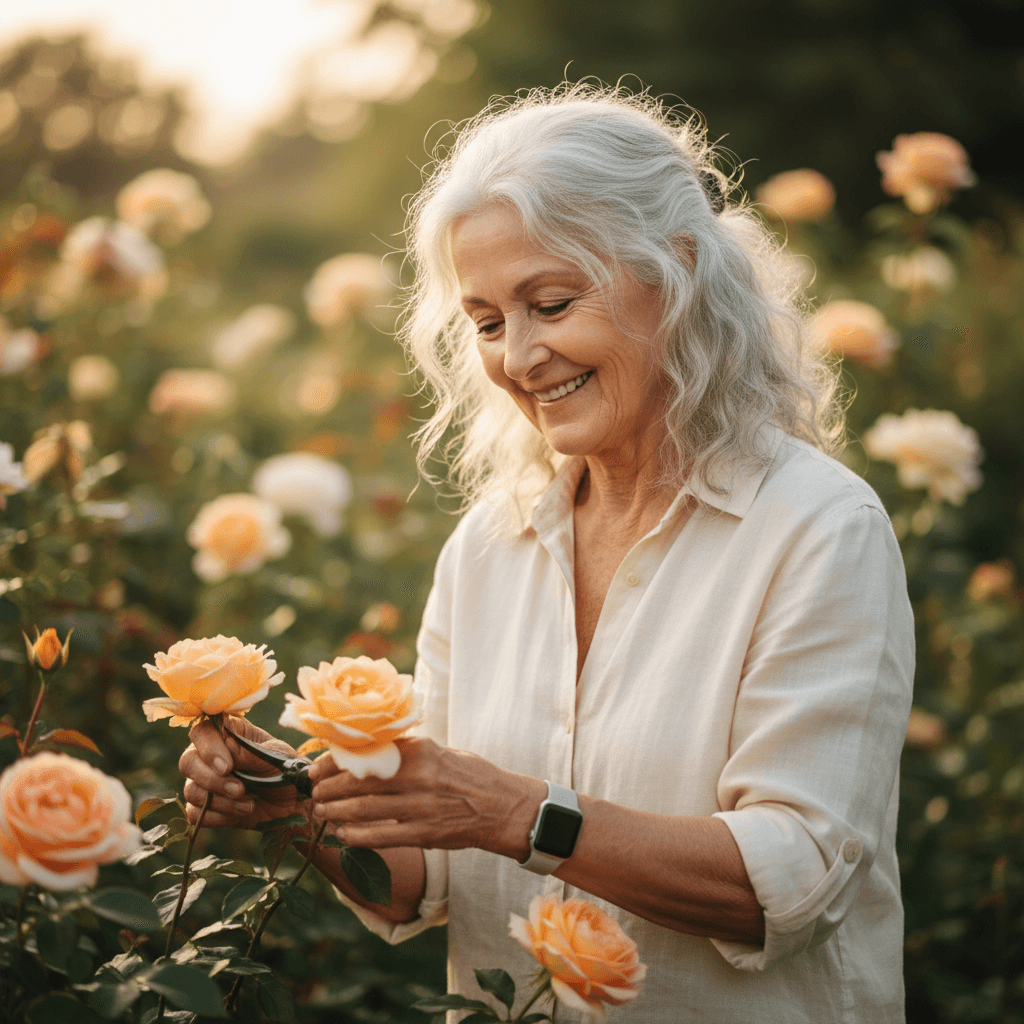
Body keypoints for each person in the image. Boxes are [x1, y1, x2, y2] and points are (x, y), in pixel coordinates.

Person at [180, 84, 915, 1023]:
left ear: (679, 271)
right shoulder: (490, 544)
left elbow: (792, 879)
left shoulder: (819, 529)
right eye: (486, 322)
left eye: (551, 303)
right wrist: (295, 807)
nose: (520, 356)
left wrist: (517, 813)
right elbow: (425, 880)